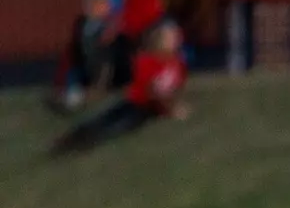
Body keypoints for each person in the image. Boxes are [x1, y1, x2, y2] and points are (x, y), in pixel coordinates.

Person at [51, 19, 189, 156]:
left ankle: (80, 144)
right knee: (102, 120)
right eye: (168, 37)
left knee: (114, 129)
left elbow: (175, 88)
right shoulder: (146, 61)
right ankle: (68, 142)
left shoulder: (177, 64)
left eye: (175, 37)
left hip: (147, 111)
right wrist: (170, 110)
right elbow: (151, 92)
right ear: (158, 40)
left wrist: (174, 104)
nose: (174, 41)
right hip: (136, 104)